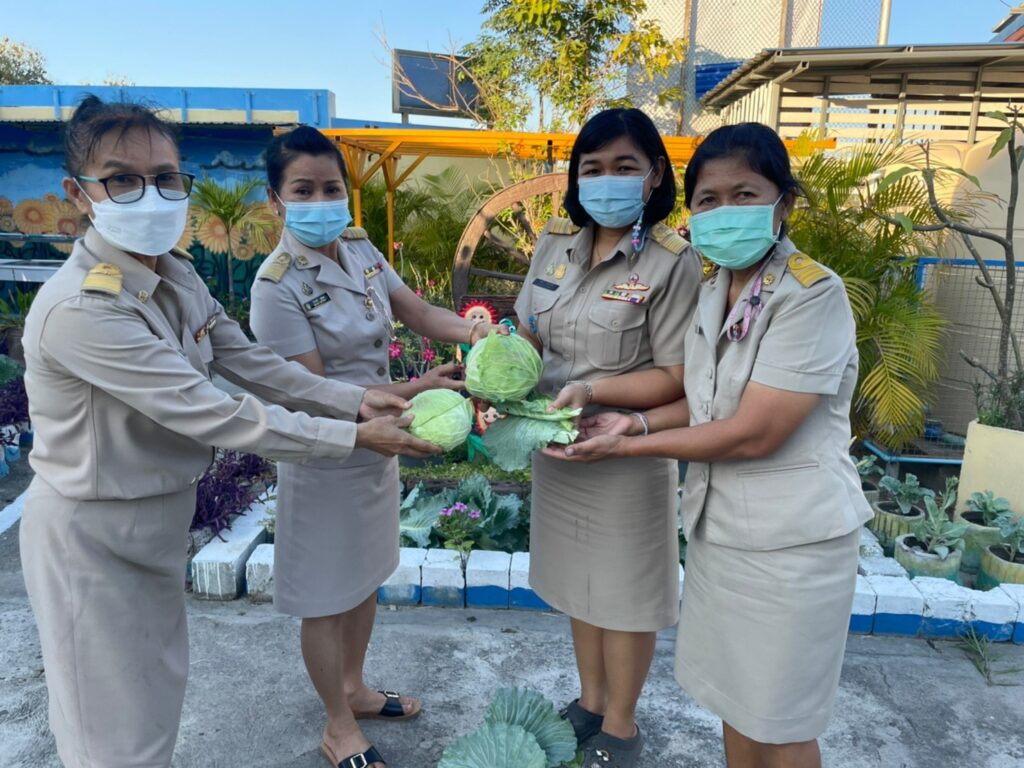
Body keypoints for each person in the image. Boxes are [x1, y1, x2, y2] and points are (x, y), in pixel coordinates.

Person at [19, 96, 439, 768]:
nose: (151, 195)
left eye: (165, 177)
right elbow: (215, 410)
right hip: (95, 539)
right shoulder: (83, 308)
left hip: (156, 523)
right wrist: (355, 435)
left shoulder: (175, 275)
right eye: (123, 179)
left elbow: (251, 363)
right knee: (114, 736)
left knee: (152, 706)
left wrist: (359, 401)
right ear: (78, 194)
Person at [546, 122, 873, 768]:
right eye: (709, 200)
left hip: (792, 545)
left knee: (779, 722)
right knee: (737, 705)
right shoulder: (716, 289)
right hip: (721, 531)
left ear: (784, 202)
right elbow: (703, 401)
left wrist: (628, 449)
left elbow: (756, 431)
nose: (725, 212)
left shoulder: (811, 295)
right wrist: (631, 423)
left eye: (744, 195)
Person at [248, 126, 506, 768]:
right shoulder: (275, 286)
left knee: (363, 578)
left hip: (379, 449)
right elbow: (314, 393)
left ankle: (355, 689)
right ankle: (338, 727)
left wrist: (477, 333)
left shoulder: (360, 249)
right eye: (302, 190)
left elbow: (417, 312)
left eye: (330, 187)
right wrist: (416, 387)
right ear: (275, 202)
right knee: (324, 596)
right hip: (328, 452)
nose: (321, 201)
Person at [512, 108, 703, 767]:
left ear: (654, 176)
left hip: (624, 451)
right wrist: (496, 374)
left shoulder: (672, 262)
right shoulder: (555, 242)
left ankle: (621, 726)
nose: (606, 180)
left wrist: (593, 391)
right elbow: (529, 333)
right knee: (579, 584)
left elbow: (676, 375)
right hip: (558, 447)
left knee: (624, 596)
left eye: (625, 166)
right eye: (592, 168)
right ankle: (591, 702)